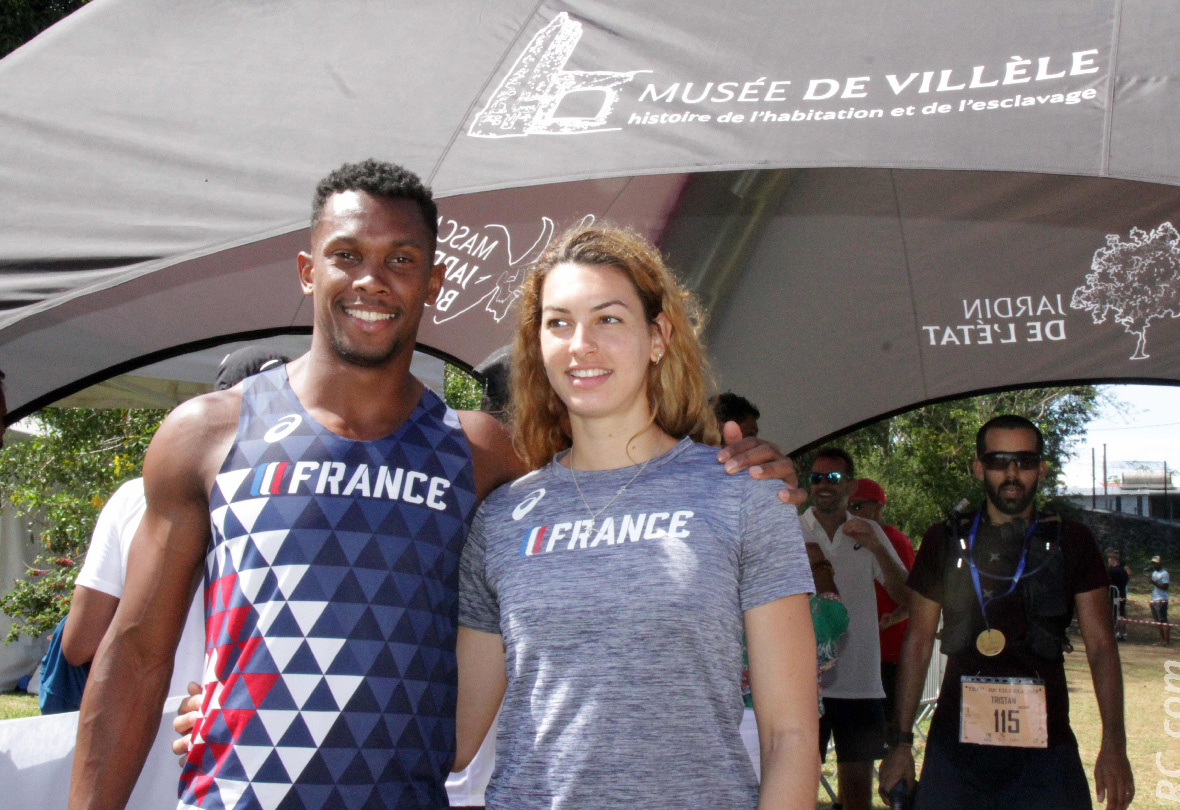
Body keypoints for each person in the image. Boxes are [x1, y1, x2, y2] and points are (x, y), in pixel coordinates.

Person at [72, 160, 803, 810]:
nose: (371, 279)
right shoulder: (206, 434)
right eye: (346, 255)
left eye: (401, 259)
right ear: (306, 270)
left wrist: (751, 471)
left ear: (434, 282)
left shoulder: (483, 455)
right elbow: (133, 654)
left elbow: (622, 481)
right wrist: (243, 704)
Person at [453, 225, 820, 809]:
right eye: (558, 323)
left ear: (658, 336)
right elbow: (451, 738)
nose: (581, 344)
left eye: (608, 319)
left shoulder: (742, 497)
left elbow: (791, 737)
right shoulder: (501, 519)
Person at [879, 415, 1134, 810]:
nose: (1012, 473)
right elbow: (917, 643)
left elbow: (1102, 647)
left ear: (1041, 469)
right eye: (999, 461)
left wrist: (1114, 746)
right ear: (979, 468)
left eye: (1025, 461)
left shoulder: (1073, 541)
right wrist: (899, 744)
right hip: (955, 752)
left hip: (1047, 753)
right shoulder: (944, 540)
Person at [60, 347, 291, 697]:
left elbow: (79, 643)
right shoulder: (310, 504)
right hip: (246, 714)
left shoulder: (136, 497)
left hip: (147, 717)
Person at [800, 448, 911, 810]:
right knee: (796, 787)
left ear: (850, 485)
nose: (823, 485)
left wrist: (877, 547)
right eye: (816, 478)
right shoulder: (792, 528)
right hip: (803, 682)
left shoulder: (869, 531)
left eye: (833, 478)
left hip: (860, 682)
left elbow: (906, 597)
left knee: (858, 794)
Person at [848, 477, 915, 726]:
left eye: (857, 506)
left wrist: (891, 619)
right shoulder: (852, 538)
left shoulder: (895, 541)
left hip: (889, 652)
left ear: (877, 507)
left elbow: (914, 597)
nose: (851, 512)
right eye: (848, 506)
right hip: (863, 652)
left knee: (885, 727)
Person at [1105, 549, 1129, 641]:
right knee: (1121, 614)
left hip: (1114, 595)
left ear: (1112, 560)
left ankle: (1117, 633)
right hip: (1122, 595)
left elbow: (1107, 582)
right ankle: (1123, 633)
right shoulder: (1124, 571)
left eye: (1109, 560)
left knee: (1115, 614)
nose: (1108, 562)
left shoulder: (1111, 571)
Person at [1150, 554, 1171, 646]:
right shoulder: (1154, 573)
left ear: (1160, 563)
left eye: (1155, 563)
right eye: (1153, 563)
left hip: (1162, 599)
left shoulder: (1164, 573)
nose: (1154, 565)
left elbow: (1165, 587)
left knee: (1163, 620)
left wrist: (1154, 583)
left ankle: (1166, 640)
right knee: (1158, 621)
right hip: (1155, 599)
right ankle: (1161, 640)